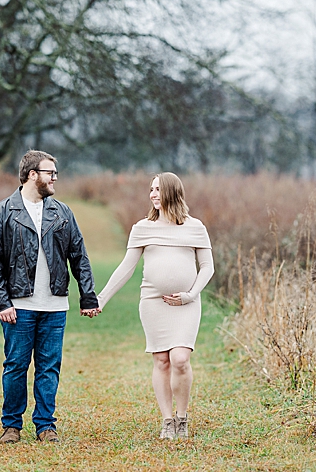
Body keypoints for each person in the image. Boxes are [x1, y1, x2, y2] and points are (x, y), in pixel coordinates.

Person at [0, 150, 101, 444]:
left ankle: (46, 426)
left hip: (55, 305)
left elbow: (79, 256)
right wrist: (3, 302)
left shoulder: (62, 212)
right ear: (32, 175)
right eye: (50, 173)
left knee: (49, 367)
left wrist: (88, 296)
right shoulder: (2, 211)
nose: (54, 178)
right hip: (18, 307)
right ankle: (11, 426)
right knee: (16, 366)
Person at [96, 172, 214, 440]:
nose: (152, 194)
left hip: (186, 303)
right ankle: (167, 421)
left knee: (180, 360)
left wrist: (191, 294)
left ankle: (182, 418)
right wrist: (101, 298)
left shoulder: (195, 227)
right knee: (162, 361)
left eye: (158, 189)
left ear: (172, 192)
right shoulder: (142, 228)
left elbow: (207, 267)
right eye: (151, 189)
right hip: (153, 303)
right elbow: (126, 268)